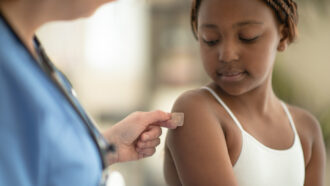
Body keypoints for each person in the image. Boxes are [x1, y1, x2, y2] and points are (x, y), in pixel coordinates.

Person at [0, 0, 179, 185]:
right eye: (209, 39)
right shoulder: (6, 72)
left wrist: (104, 146)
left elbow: (41, 155)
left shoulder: (27, 48)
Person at [164, 0, 326, 185]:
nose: (226, 54)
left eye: (247, 37)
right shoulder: (193, 110)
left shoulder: (306, 129)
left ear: (283, 36)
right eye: (211, 39)